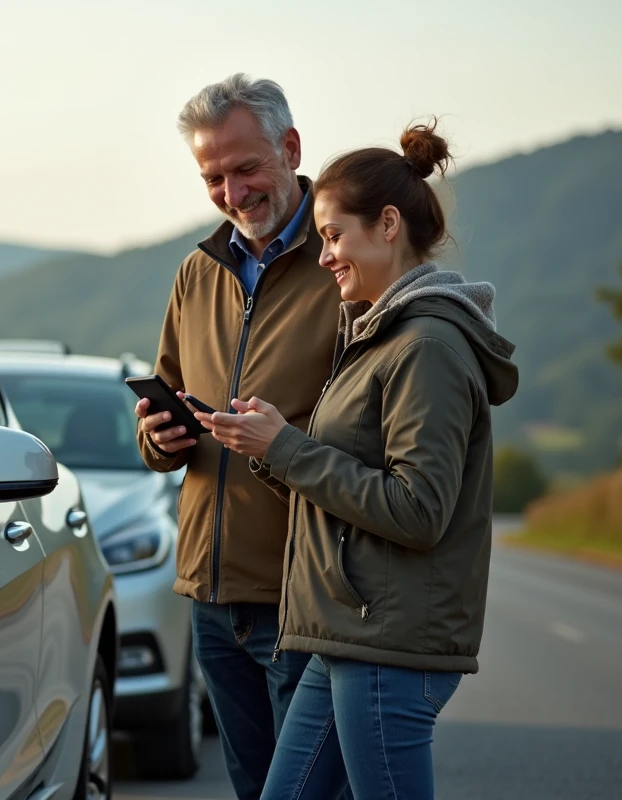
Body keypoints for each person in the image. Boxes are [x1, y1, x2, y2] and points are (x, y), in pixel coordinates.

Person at [195, 120, 519, 799]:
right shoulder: (378, 334)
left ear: (389, 225)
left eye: (335, 236)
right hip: (348, 633)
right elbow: (348, 473)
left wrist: (287, 447)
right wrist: (270, 448)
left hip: (388, 642)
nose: (324, 256)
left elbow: (418, 509)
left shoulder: (425, 346)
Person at [133, 74, 343, 799]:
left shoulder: (345, 263)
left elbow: (376, 427)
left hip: (307, 597)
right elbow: (159, 427)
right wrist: (161, 438)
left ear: (290, 149)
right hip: (210, 599)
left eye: (246, 167)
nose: (233, 191)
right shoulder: (196, 272)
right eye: (212, 176)